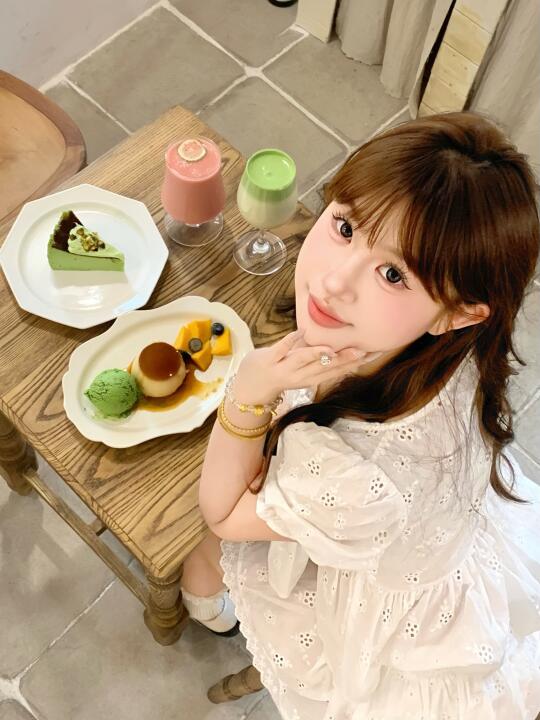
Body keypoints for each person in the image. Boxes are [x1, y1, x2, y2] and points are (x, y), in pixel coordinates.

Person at [181, 111, 540, 719]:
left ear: (458, 313)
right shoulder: (451, 348)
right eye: (346, 226)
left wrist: (250, 387)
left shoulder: (362, 474)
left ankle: (205, 598)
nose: (333, 281)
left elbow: (222, 512)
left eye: (394, 274)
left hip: (394, 612)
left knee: (207, 552)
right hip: (437, 531)